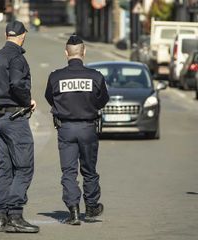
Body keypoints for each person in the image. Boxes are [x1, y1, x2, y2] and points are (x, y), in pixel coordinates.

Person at [0, 20, 39, 233]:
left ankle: (0, 217)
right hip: (15, 119)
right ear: (22, 36)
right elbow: (16, 84)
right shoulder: (17, 58)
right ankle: (15, 214)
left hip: (0, 119)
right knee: (24, 167)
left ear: (6, 35)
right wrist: (26, 101)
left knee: (5, 168)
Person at [45, 34, 109, 225]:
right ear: (84, 52)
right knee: (89, 170)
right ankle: (91, 207)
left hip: (65, 129)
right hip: (88, 128)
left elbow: (50, 98)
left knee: (68, 172)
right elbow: (102, 100)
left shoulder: (55, 77)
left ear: (66, 53)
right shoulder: (96, 77)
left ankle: (73, 212)